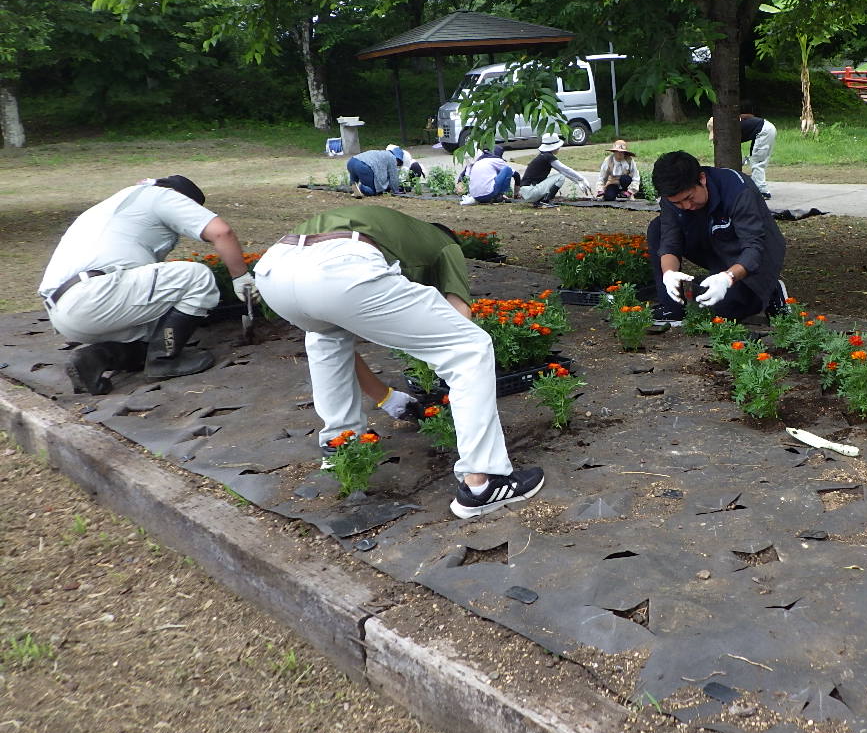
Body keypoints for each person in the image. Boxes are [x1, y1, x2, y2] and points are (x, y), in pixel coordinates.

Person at [252, 205, 544, 518]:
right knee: (469, 347)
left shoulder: (388, 229)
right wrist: (452, 383)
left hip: (273, 270)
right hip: (339, 265)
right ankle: (483, 484)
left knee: (327, 338)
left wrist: (387, 398)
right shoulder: (445, 244)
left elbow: (345, 334)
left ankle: (341, 446)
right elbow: (460, 318)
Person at [38, 175, 253, 395]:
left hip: (65, 311)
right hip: (95, 296)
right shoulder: (164, 196)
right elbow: (221, 232)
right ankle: (164, 360)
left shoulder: (116, 205)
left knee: (160, 325)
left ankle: (96, 357)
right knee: (197, 276)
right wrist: (241, 277)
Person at [648, 150, 786, 324]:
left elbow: (754, 248)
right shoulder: (672, 198)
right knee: (657, 228)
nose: (686, 206)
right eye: (678, 203)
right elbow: (669, 241)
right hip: (713, 243)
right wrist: (669, 274)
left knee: (723, 309)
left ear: (702, 179)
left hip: (754, 256)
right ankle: (672, 305)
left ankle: (771, 289)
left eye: (689, 198)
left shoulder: (739, 190)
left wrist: (727, 278)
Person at [707, 108, 777, 198]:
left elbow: (731, 149)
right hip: (767, 130)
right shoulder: (735, 123)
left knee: (757, 162)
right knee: (756, 160)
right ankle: (758, 188)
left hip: (764, 132)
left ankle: (762, 191)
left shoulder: (733, 129)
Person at [517, 133, 593, 207]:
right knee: (560, 177)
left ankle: (540, 201)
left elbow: (564, 171)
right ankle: (545, 201)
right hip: (530, 191)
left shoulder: (543, 156)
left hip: (527, 191)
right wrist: (582, 179)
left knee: (558, 176)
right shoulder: (548, 157)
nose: (559, 148)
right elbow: (565, 170)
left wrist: (578, 181)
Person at [346, 145, 415, 197]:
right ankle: (360, 187)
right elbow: (393, 176)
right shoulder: (392, 158)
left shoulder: (382, 153)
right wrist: (396, 191)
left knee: (354, 181)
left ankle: (354, 185)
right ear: (398, 158)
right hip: (363, 166)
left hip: (351, 162)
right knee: (373, 191)